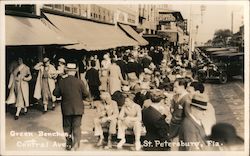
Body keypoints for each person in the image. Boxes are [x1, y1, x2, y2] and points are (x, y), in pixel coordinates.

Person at [53, 63, 89, 151]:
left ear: (66, 71)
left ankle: (68, 143)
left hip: (66, 108)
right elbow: (86, 94)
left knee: (67, 127)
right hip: (78, 108)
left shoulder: (62, 81)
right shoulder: (80, 82)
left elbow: (55, 93)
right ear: (74, 71)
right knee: (76, 126)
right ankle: (76, 144)